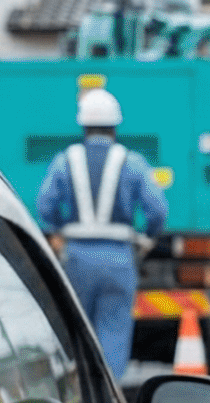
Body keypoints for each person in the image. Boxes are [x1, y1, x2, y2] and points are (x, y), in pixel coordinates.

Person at [35, 86, 168, 373]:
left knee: (76, 331)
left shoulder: (65, 160)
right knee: (114, 332)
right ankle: (109, 402)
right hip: (119, 258)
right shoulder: (131, 162)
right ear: (114, 127)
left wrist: (59, 229)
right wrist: (147, 238)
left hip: (76, 258)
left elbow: (44, 205)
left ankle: (82, 399)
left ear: (83, 126)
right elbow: (157, 210)